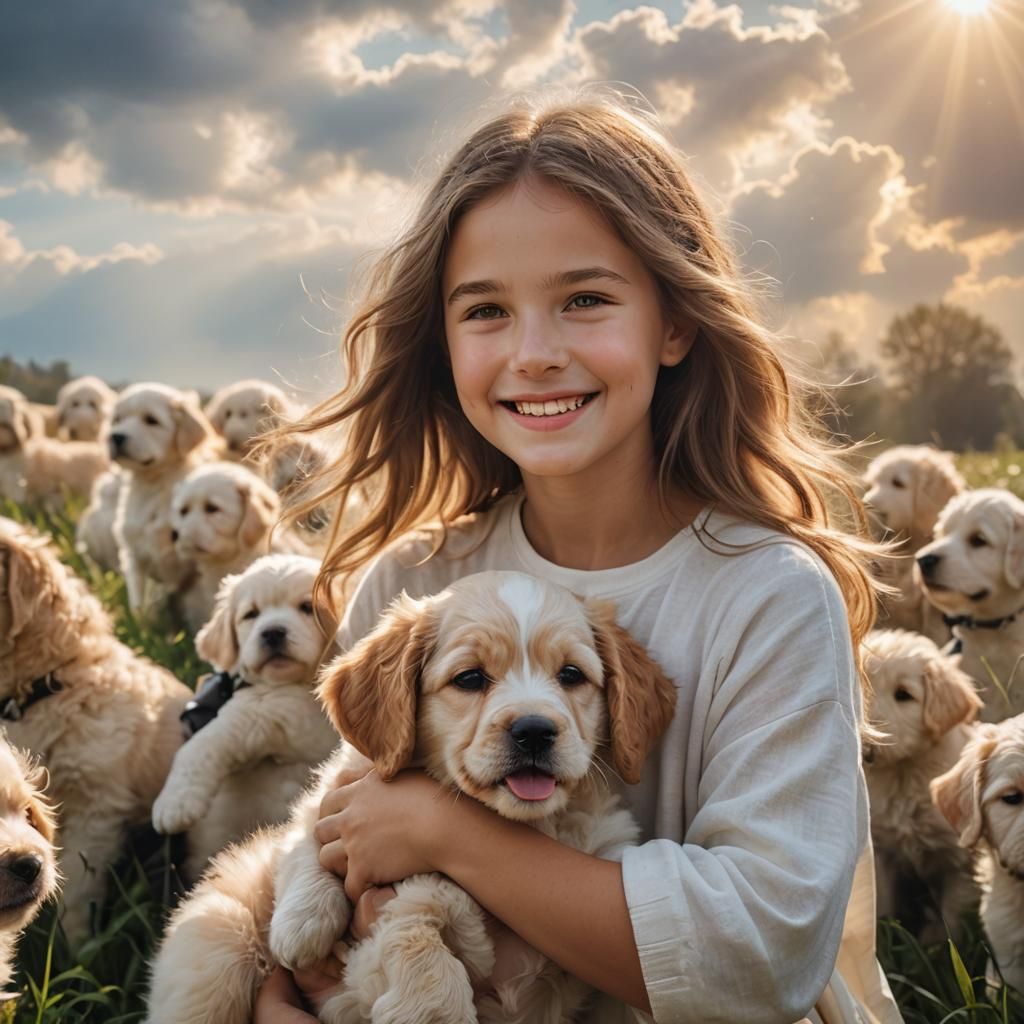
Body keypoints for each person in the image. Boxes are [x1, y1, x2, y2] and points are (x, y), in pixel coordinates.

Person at [255, 88, 903, 1023]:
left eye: (586, 299)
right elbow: (340, 891)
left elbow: (759, 957)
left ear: (675, 323)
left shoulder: (768, 596)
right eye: (485, 311)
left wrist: (449, 832)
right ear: (441, 341)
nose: (535, 352)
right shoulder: (412, 584)